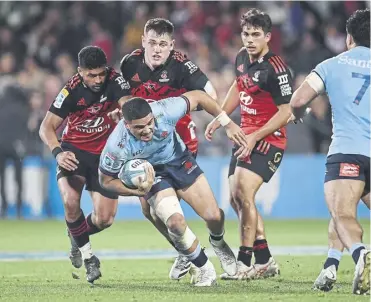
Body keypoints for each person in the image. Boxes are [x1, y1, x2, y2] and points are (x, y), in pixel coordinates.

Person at [99, 90, 248, 286]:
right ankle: (204, 268)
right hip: (153, 173)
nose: (147, 130)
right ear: (126, 125)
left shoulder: (164, 110)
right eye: (139, 127)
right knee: (175, 223)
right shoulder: (116, 145)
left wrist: (226, 123)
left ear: (153, 116)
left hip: (179, 161)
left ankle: (218, 242)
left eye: (149, 123)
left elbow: (199, 96)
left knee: (214, 216)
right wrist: (137, 191)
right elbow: (105, 181)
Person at [114, 17, 218, 280]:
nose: (157, 49)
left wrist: (182, 107)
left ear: (171, 45)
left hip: (179, 143)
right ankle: (186, 251)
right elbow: (124, 99)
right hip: (144, 145)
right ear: (143, 42)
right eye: (152, 43)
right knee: (148, 210)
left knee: (170, 208)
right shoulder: (130, 64)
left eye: (162, 44)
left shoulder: (183, 66)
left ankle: (194, 256)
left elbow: (210, 93)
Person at [205, 8, 294, 280]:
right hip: (245, 136)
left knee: (243, 193)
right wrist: (220, 116)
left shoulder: (276, 68)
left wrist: (256, 135)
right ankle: (264, 260)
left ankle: (244, 263)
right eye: (246, 34)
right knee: (235, 198)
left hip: (269, 139)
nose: (250, 39)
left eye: (256, 34)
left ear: (268, 36)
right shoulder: (242, 58)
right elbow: (238, 86)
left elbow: (286, 112)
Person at [290, 9, 370, 295]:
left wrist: (297, 113)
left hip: (347, 151)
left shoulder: (332, 64)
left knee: (341, 212)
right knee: (341, 210)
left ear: (349, 38)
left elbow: (298, 99)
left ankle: (362, 255)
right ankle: (330, 265)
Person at [39, 46, 130, 283]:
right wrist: (58, 153)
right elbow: (46, 127)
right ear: (80, 72)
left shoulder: (115, 81)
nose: (98, 80)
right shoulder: (70, 91)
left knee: (105, 219)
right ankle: (89, 258)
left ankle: (76, 236)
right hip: (74, 151)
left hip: (106, 154)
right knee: (71, 202)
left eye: (101, 73)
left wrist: (124, 112)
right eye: (92, 75)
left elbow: (128, 102)